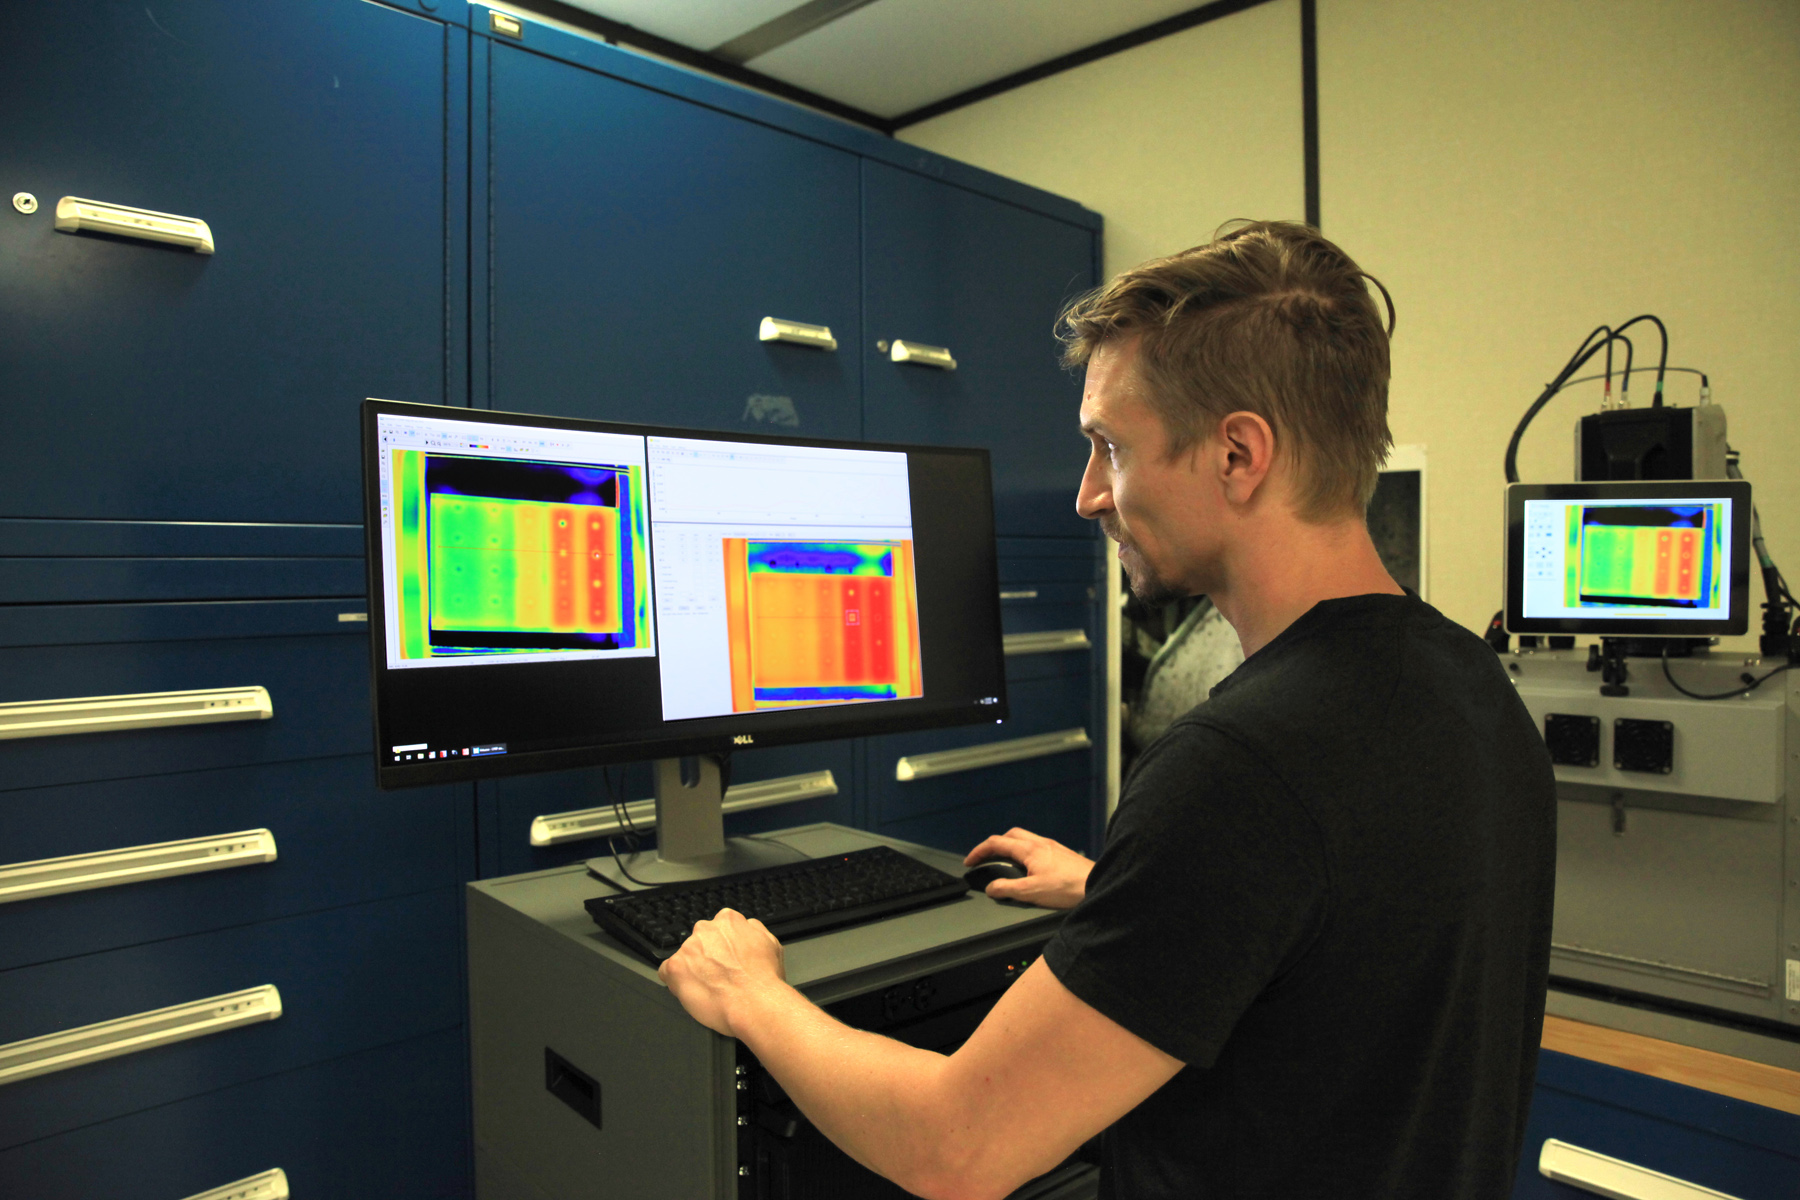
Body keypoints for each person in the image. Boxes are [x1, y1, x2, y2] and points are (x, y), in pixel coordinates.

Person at [659, 221, 1556, 1200]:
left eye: (1111, 448)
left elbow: (956, 1147)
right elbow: (1354, 942)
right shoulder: (1471, 688)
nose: (1089, 495)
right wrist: (1122, 893)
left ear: (1238, 455)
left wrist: (752, 994)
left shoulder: (1243, 767)